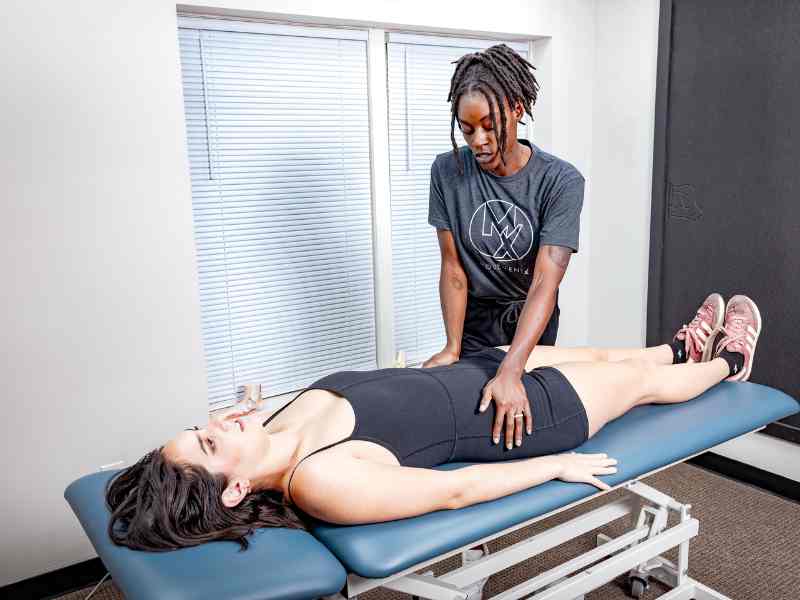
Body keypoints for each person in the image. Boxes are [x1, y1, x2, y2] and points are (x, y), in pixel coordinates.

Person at [106, 294, 760, 552]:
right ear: (233, 490)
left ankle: (678, 345)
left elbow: (384, 397)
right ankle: (729, 361)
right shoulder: (318, 480)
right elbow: (455, 489)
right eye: (210, 443)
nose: (219, 424)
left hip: (480, 370)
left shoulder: (279, 423)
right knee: (642, 387)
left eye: (203, 425)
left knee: (600, 351)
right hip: (530, 419)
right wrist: (555, 465)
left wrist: (243, 417)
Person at [423, 43, 585, 449]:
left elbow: (544, 285)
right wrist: (452, 346)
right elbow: (453, 270)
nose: (478, 140)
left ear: (516, 108)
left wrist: (514, 366)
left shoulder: (561, 181)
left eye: (489, 125)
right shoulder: (447, 171)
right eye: (467, 128)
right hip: (475, 320)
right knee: (469, 412)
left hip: (531, 318)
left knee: (521, 419)